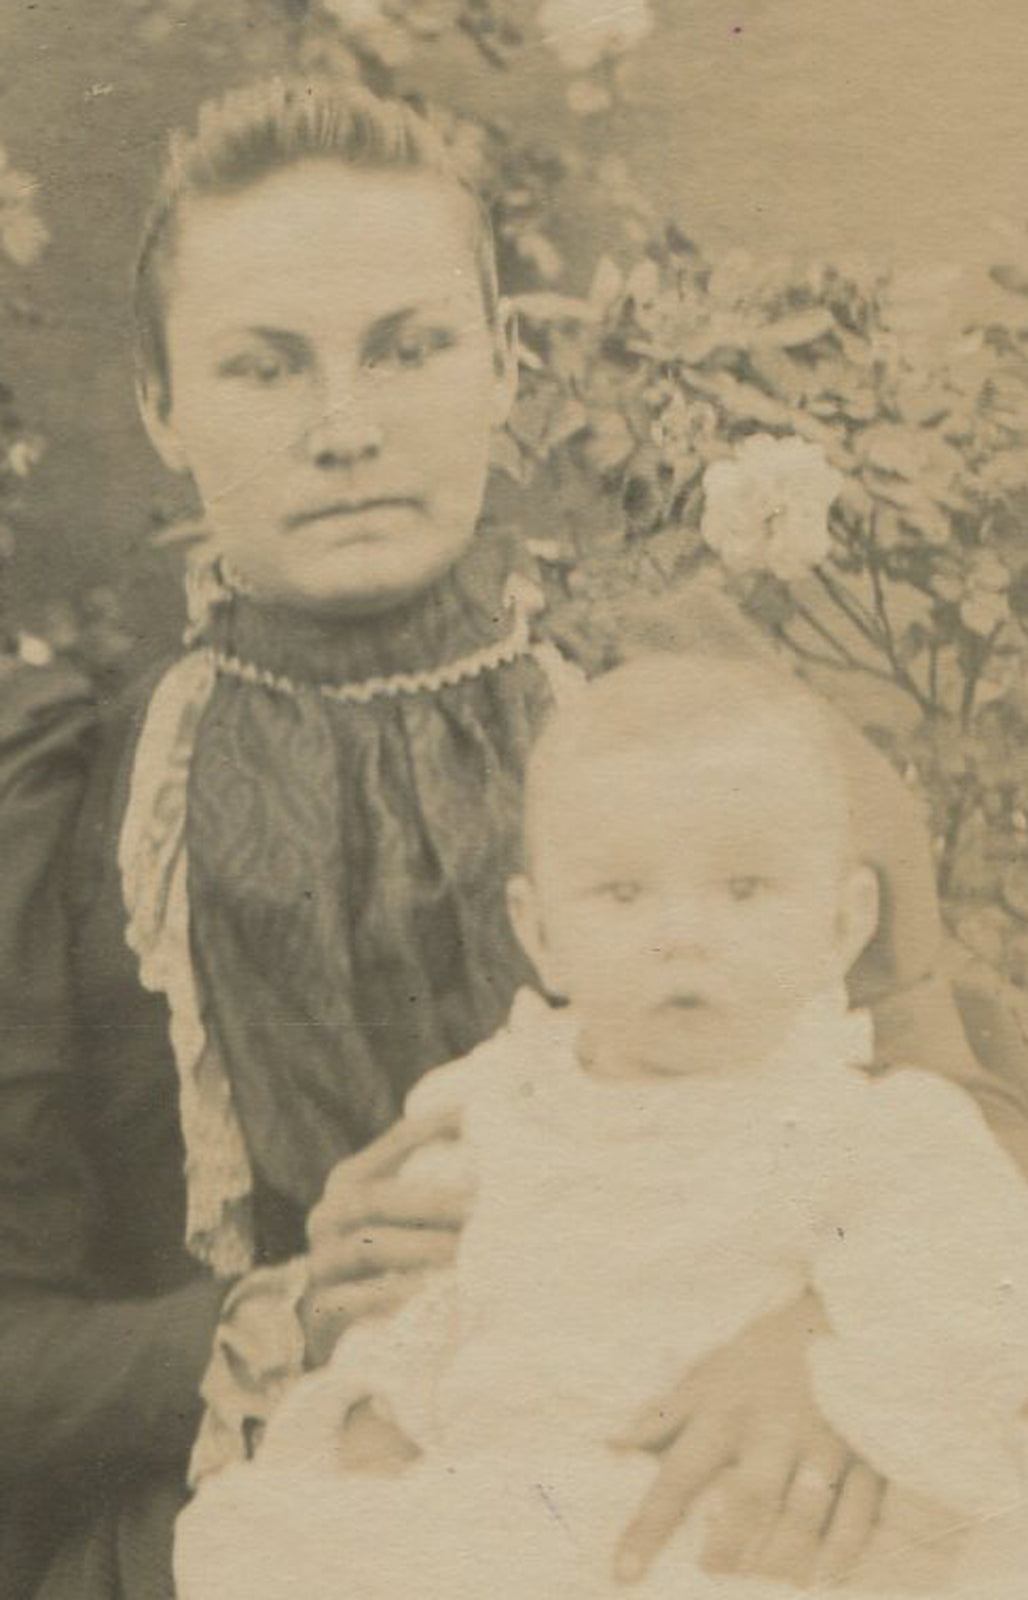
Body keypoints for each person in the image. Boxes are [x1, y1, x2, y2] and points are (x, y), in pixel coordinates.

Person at [1, 76, 1027, 1600]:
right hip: (339, 1502)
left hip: (747, 1494)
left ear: (499, 359)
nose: (346, 429)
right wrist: (271, 1321)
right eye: (266, 369)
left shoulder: (707, 713)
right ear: (162, 408)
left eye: (409, 347)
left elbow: (958, 1134)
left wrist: (824, 1341)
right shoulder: (75, 808)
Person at [174, 653, 1028, 1600]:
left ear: (843, 920)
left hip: (730, 1528)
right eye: (623, 894)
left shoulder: (875, 1128)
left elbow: (976, 1293)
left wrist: (838, 1364)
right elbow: (412, 1315)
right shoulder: (486, 1111)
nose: (681, 933)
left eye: (744, 890)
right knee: (263, 1535)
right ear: (539, 933)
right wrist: (373, 1447)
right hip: (508, 1510)